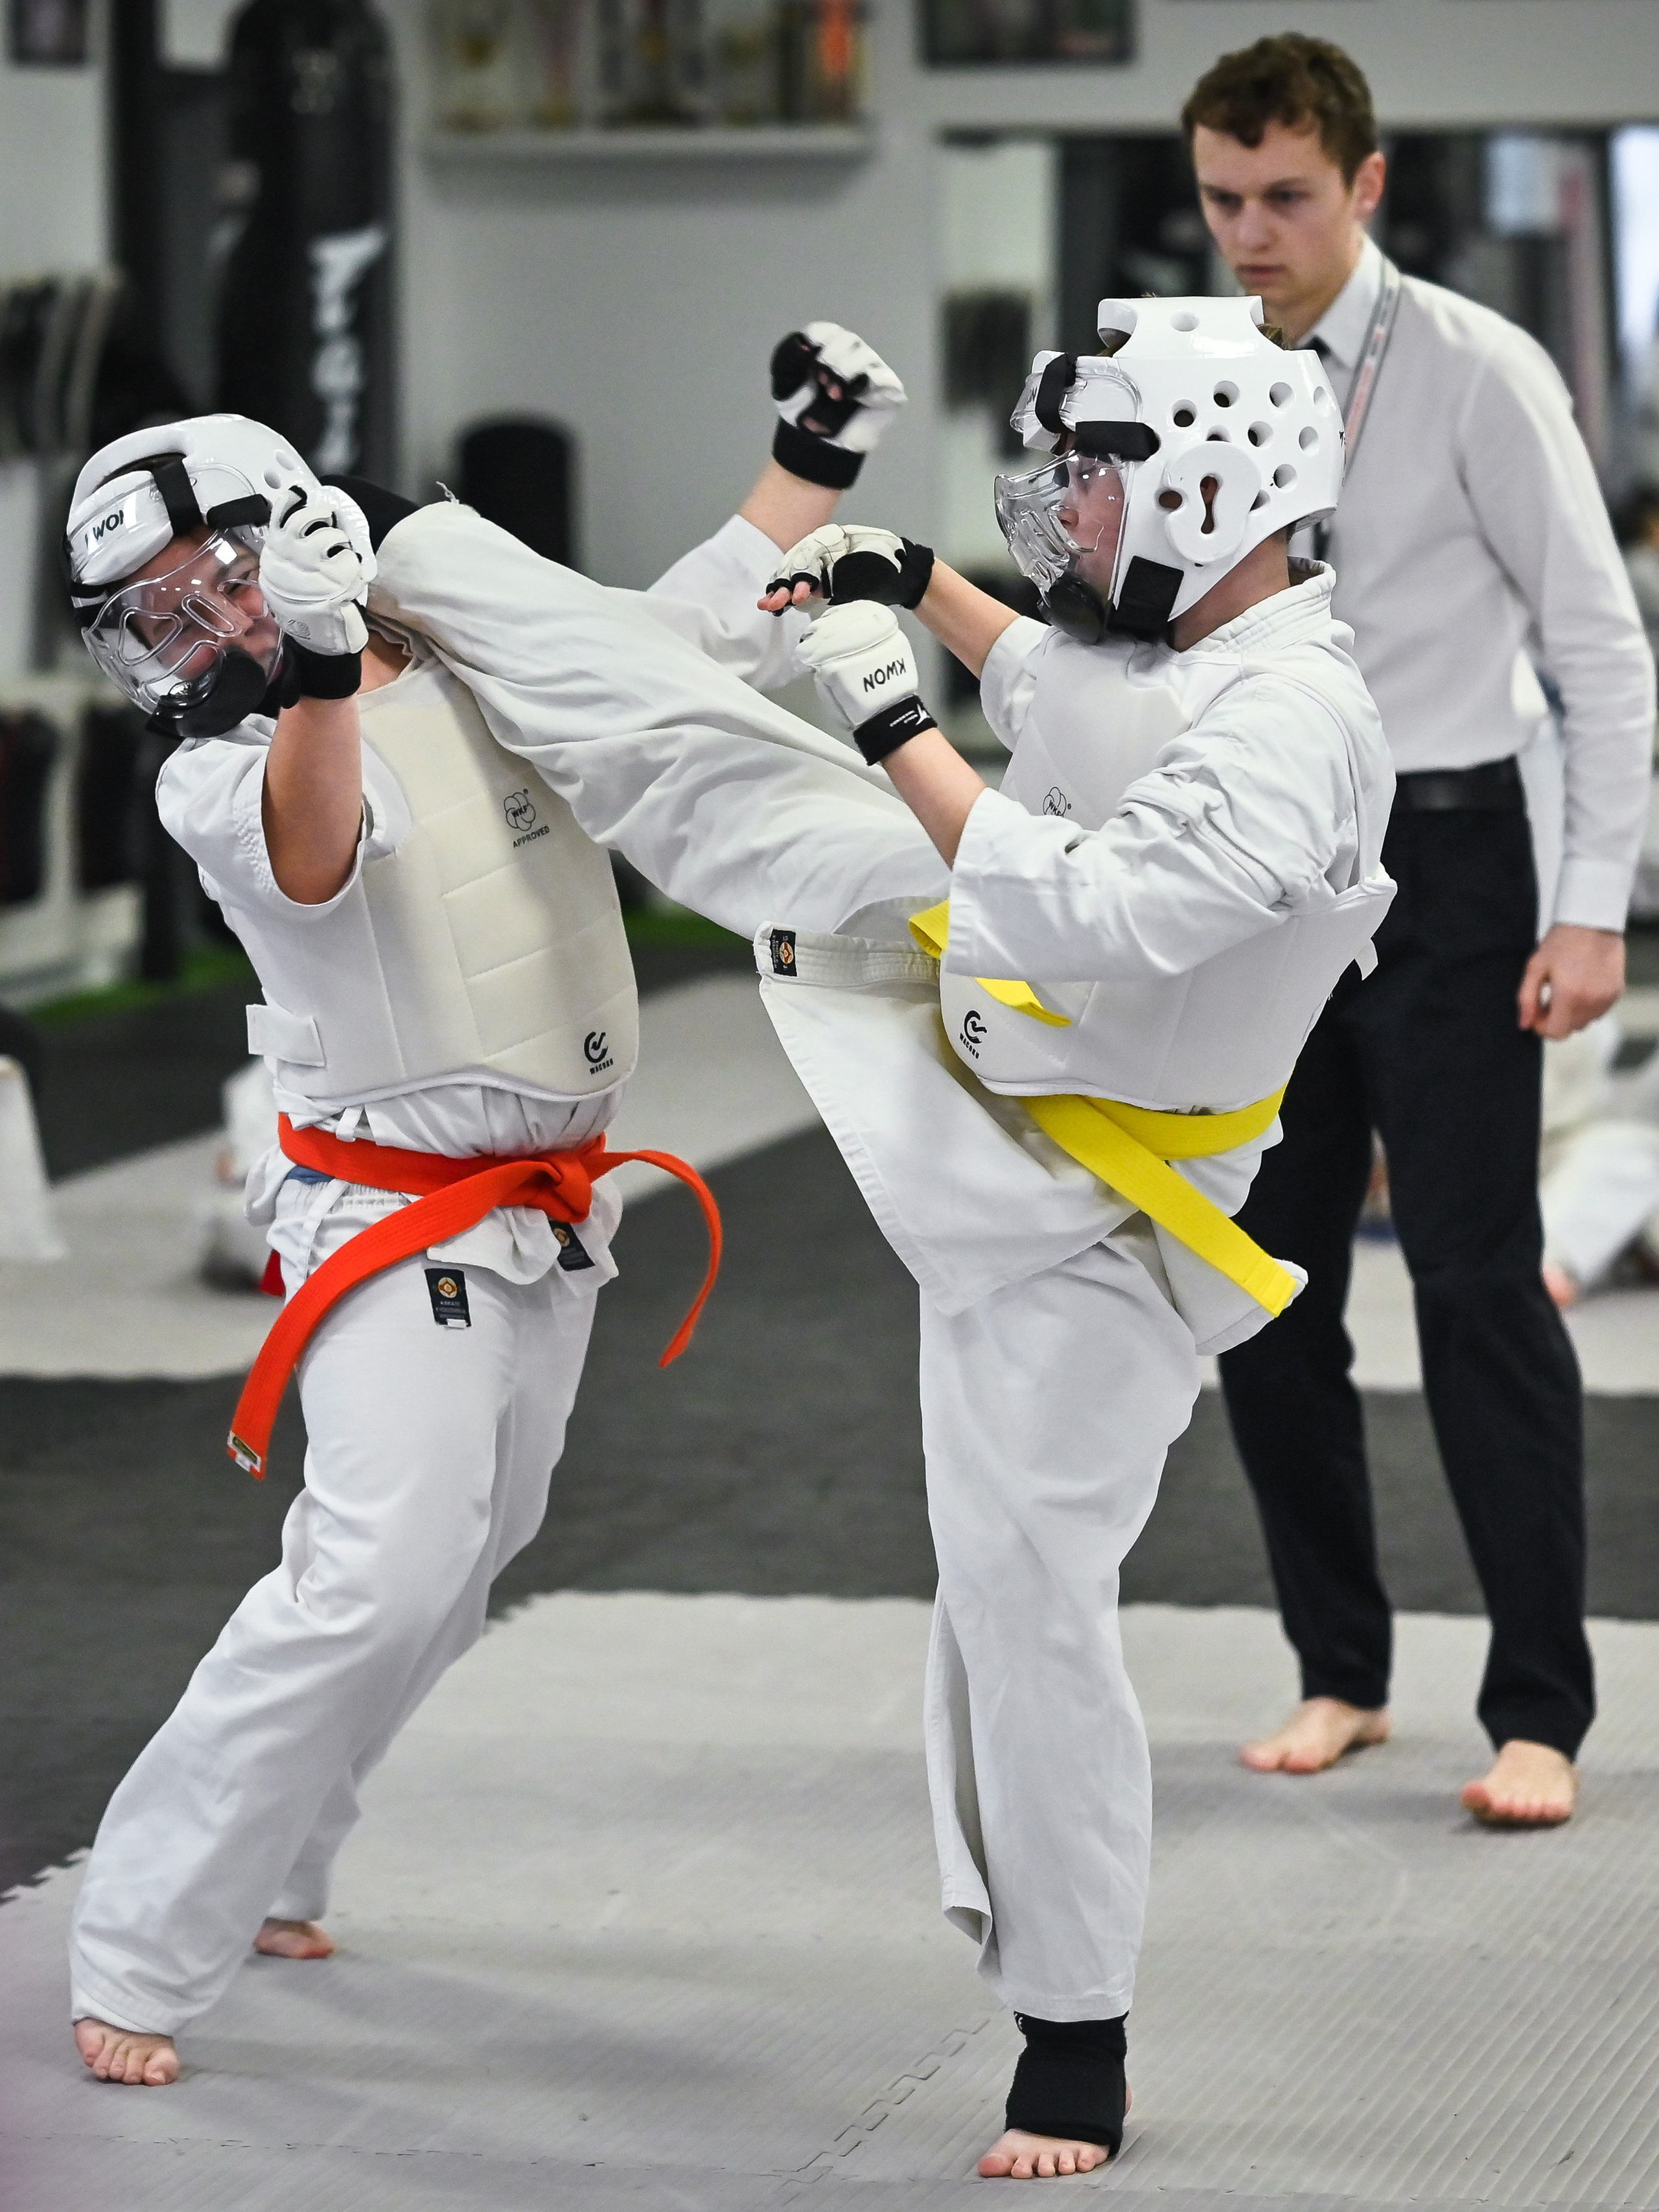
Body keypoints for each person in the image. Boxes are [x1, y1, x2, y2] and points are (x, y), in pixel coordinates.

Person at [61, 326, 947, 2090]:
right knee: (376, 1572)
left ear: (296, 534)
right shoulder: (215, 767)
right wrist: (307, 665)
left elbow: (664, 637)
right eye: (158, 625)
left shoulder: (459, 642)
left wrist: (812, 458)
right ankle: (137, 1946)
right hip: (386, 1219)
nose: (200, 642)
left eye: (212, 592)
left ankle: (283, 1866)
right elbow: (319, 846)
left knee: (462, 1570)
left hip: (545, 1214)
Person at [752, 296, 1394, 2177]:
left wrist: (888, 723)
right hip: (1006, 1142)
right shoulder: (1208, 649)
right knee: (992, 1578)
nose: (1071, 515)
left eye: (1099, 481)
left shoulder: (1301, 712)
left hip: (1125, 1214)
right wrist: (922, 584)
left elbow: (1101, 903)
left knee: (1032, 1595)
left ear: (1214, 477)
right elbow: (1070, 692)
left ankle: (1076, 2037)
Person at [1183, 34, 1657, 1824]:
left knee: (1473, 1286)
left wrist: (1593, 908)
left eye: (1285, 197)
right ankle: (1341, 1671)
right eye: (1225, 198)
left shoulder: (1476, 366)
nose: (1252, 233)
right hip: (1265, 870)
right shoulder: (1196, 369)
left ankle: (1538, 1706)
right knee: (1270, 1294)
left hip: (1458, 863)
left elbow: (1600, 653)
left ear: (1364, 185)